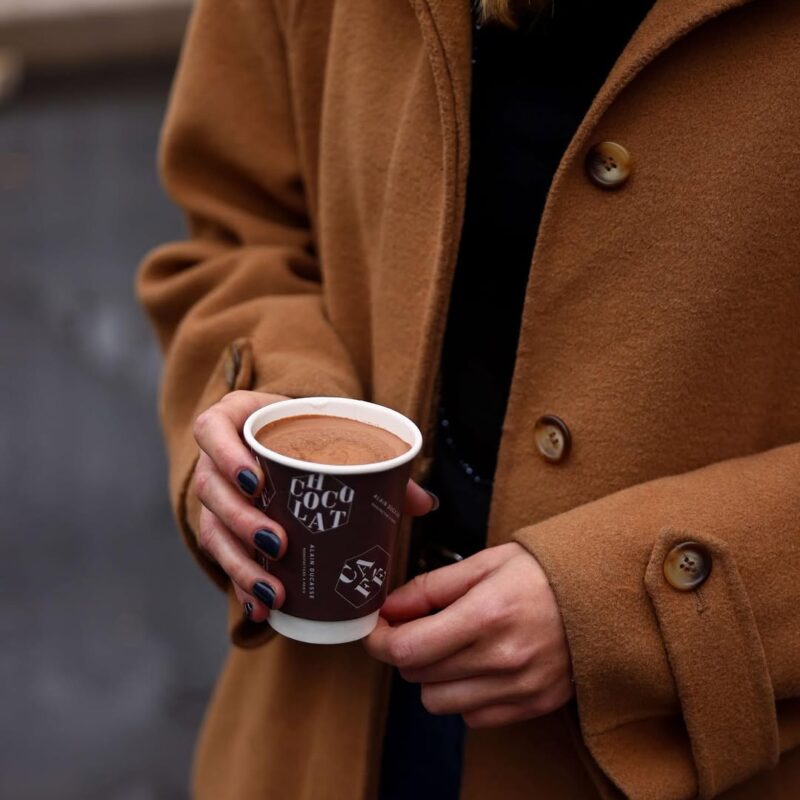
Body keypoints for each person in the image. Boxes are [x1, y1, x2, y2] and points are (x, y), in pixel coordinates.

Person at [138, 0, 800, 797]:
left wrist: (640, 604)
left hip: (691, 750)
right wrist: (285, 424)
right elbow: (238, 229)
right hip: (325, 718)